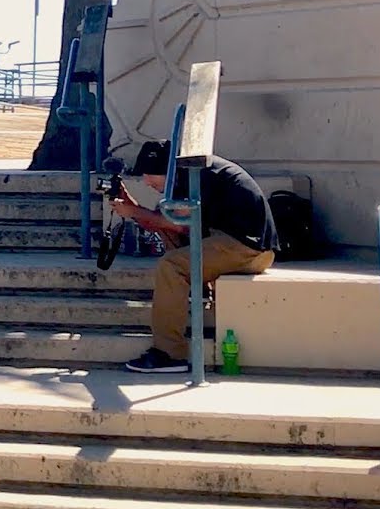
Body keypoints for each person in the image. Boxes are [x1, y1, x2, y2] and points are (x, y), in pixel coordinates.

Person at [109, 140, 279, 373]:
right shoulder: (188, 173)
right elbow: (167, 223)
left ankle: (170, 354)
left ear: (167, 170)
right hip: (233, 243)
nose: (147, 182)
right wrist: (130, 205)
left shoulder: (199, 175)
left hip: (249, 249)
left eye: (151, 175)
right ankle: (193, 293)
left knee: (171, 266)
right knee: (168, 234)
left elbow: (181, 225)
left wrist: (133, 211)